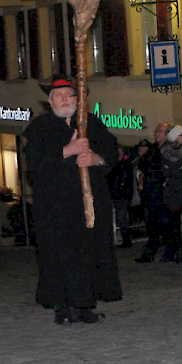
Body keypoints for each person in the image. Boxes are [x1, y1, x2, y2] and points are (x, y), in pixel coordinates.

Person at [23, 77, 121, 325]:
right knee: (60, 256)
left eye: (70, 95)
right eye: (60, 95)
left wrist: (96, 159)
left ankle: (85, 305)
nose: (65, 99)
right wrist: (68, 150)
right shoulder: (40, 127)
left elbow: (111, 153)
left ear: (78, 100)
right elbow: (34, 165)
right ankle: (62, 307)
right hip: (55, 207)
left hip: (88, 205)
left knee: (88, 254)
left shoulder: (92, 123)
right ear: (50, 101)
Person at [135, 122, 170, 263]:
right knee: (153, 223)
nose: (156, 134)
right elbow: (143, 165)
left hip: (164, 191)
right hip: (151, 191)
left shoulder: (170, 149)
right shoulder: (153, 149)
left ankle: (168, 251)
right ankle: (150, 252)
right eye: (156, 131)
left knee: (165, 223)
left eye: (160, 131)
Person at [160, 125, 182, 263]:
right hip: (172, 192)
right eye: (181, 135)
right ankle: (179, 249)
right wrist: (178, 169)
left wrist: (176, 170)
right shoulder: (165, 152)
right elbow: (166, 171)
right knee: (175, 223)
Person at [107, 145, 134, 248]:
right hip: (116, 194)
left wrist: (121, 191)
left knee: (122, 218)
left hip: (122, 196)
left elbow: (125, 181)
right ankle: (125, 239)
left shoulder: (125, 164)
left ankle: (127, 240)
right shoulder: (115, 164)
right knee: (120, 218)